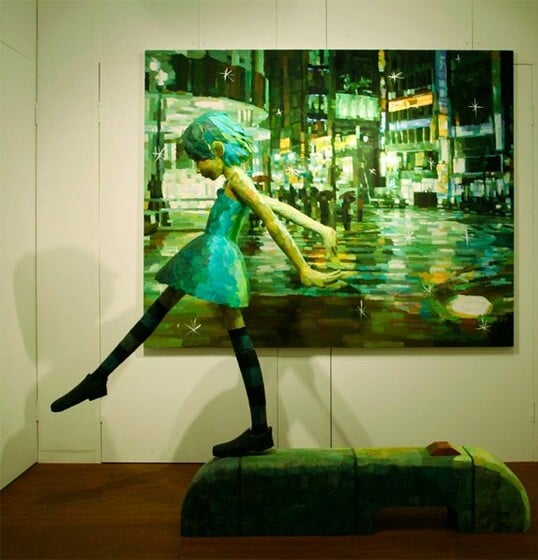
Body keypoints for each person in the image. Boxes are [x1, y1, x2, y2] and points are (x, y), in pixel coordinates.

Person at [51, 111, 342, 457]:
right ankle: (101, 376)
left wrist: (303, 268)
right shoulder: (238, 181)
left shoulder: (238, 181)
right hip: (211, 254)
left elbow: (272, 222)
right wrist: (321, 228)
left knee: (186, 318)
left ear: (218, 149)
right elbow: (276, 207)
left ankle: (258, 429)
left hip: (217, 256)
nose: (197, 168)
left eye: (199, 159)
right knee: (170, 312)